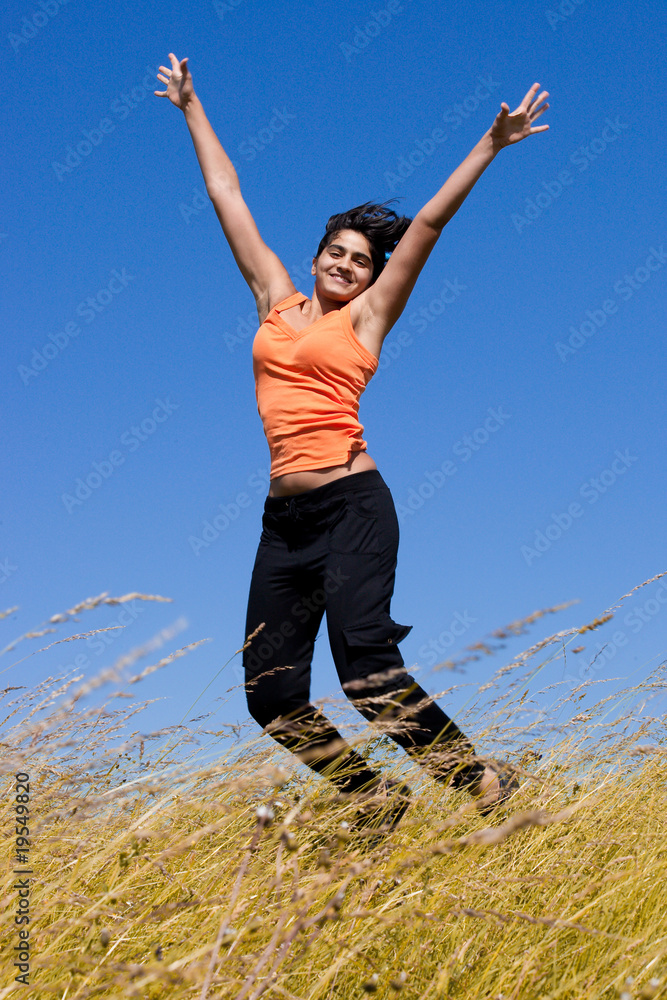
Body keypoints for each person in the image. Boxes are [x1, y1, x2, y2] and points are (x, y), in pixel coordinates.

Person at [156, 54, 549, 827]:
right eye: (336, 252)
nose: (345, 264)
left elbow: (427, 225)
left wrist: (489, 144)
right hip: (283, 523)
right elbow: (225, 194)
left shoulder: (364, 321)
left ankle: (482, 784)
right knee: (269, 696)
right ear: (314, 257)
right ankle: (375, 804)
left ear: (370, 279)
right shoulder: (275, 298)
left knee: (366, 669)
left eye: (360, 261)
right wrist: (191, 108)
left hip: (352, 505)